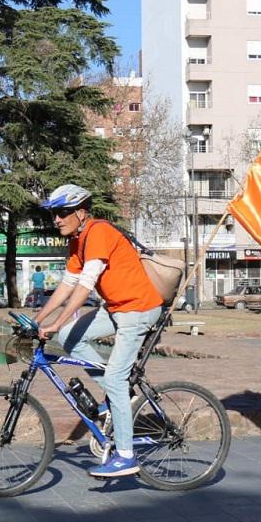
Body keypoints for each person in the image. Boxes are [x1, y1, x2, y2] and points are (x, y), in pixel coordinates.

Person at [34, 183, 163, 478]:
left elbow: (85, 285)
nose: (57, 219)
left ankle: (127, 456)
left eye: (63, 213)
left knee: (116, 378)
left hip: (139, 309)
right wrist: (40, 319)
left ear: (81, 213)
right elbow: (67, 285)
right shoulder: (76, 242)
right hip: (116, 309)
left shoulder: (99, 232)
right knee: (69, 336)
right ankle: (117, 391)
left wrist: (55, 322)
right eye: (54, 213)